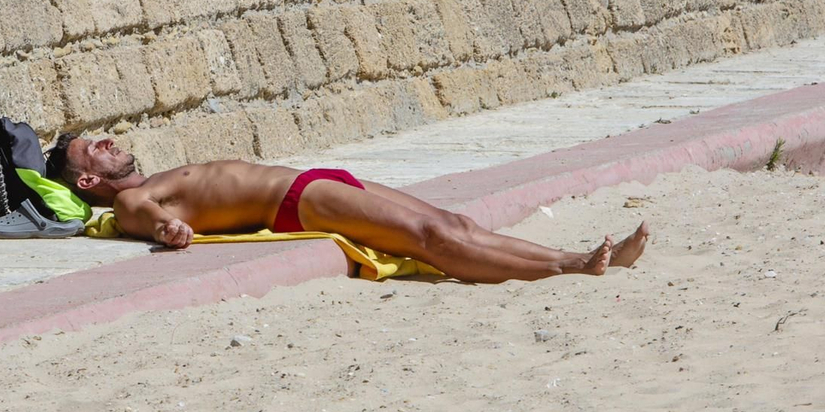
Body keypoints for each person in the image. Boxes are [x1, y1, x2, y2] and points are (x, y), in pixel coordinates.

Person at [45, 134, 649, 284]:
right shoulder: (128, 199)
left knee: (451, 224)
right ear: (90, 177)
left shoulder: (156, 177)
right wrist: (171, 229)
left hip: (311, 180)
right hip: (292, 201)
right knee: (426, 236)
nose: (107, 140)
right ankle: (569, 265)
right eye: (92, 148)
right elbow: (151, 224)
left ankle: (570, 259)